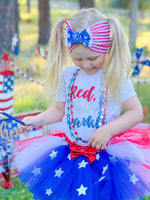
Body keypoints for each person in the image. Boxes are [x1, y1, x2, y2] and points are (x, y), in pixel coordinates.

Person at [15, 8, 150, 200]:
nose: (85, 65)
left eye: (92, 58)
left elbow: (135, 112)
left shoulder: (115, 76)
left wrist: (108, 130)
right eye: (77, 58)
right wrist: (39, 119)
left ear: (107, 48)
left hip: (105, 156)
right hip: (70, 154)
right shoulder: (68, 75)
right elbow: (59, 109)